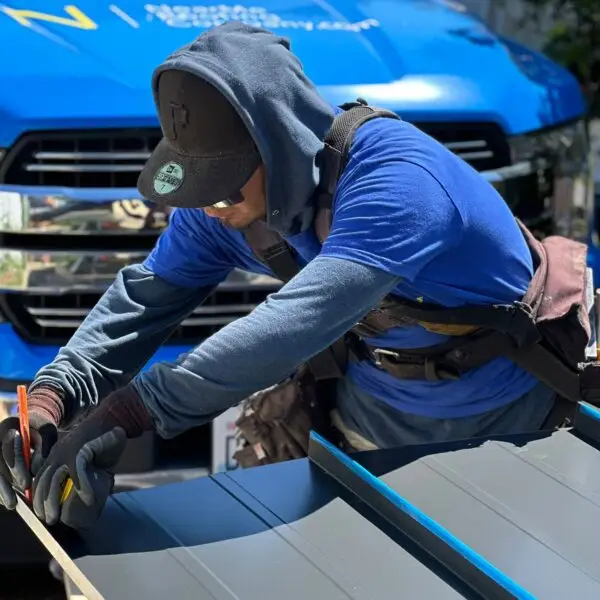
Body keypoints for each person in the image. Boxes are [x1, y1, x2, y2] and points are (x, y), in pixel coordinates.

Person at [0, 21, 560, 528]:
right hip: (368, 417)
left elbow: (296, 322)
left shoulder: (400, 185)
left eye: (225, 180)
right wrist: (53, 397)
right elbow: (143, 302)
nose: (211, 205)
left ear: (283, 143)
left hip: (503, 424)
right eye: (200, 184)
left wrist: (128, 411)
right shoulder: (228, 212)